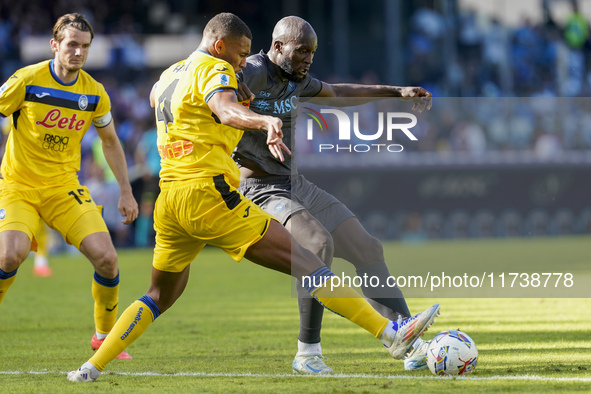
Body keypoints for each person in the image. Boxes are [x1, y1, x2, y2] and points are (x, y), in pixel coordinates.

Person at [67, 12, 439, 383]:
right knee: (311, 257)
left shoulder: (173, 73)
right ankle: (371, 339)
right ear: (223, 47)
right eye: (240, 54)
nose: (242, 62)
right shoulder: (227, 71)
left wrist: (396, 92)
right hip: (225, 191)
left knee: (158, 295)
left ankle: (91, 367)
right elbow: (225, 108)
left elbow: (156, 97)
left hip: (177, 198)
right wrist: (261, 119)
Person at [233, 16, 434, 374]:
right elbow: (214, 86)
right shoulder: (252, 71)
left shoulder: (296, 80)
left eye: (312, 52)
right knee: (316, 243)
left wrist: (395, 92)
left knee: (367, 247)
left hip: (295, 183)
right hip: (257, 188)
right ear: (278, 46)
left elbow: (339, 93)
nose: (308, 59)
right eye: (302, 51)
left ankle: (411, 343)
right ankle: (307, 353)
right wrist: (233, 86)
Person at [0, 13, 138, 359]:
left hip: (64, 188)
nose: (78, 52)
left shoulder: (94, 92)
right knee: (9, 255)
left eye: (85, 47)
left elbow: (110, 142)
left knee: (107, 259)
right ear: (55, 46)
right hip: (19, 186)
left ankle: (103, 337)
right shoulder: (26, 80)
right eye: (72, 45)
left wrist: (125, 190)